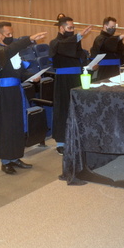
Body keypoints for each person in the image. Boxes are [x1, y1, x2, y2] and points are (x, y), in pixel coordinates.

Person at [0, 22, 47, 174]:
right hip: (5, 93)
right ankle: (6, 161)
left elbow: (20, 72)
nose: (10, 36)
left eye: (12, 34)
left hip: (16, 91)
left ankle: (16, 157)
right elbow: (9, 50)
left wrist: (32, 76)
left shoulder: (12, 51)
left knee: (18, 125)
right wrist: (30, 39)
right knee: (7, 127)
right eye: (7, 34)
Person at [49, 17, 92, 155]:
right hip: (63, 79)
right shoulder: (55, 42)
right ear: (61, 28)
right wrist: (78, 36)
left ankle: (77, 137)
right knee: (63, 109)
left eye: (73, 28)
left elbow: (79, 55)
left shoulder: (74, 41)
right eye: (70, 28)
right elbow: (64, 47)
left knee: (77, 107)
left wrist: (90, 64)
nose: (72, 30)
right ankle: (61, 142)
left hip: (76, 78)